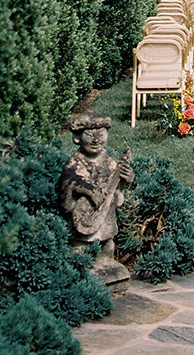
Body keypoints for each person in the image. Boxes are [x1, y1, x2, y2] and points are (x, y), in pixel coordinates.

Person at [57, 114, 134, 284]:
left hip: (104, 213)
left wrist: (126, 179)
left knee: (108, 243)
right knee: (80, 246)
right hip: (84, 216)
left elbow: (118, 185)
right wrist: (89, 191)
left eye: (100, 134)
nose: (95, 140)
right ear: (77, 137)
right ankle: (80, 266)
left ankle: (106, 262)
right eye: (90, 135)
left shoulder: (109, 160)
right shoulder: (75, 162)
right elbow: (70, 182)